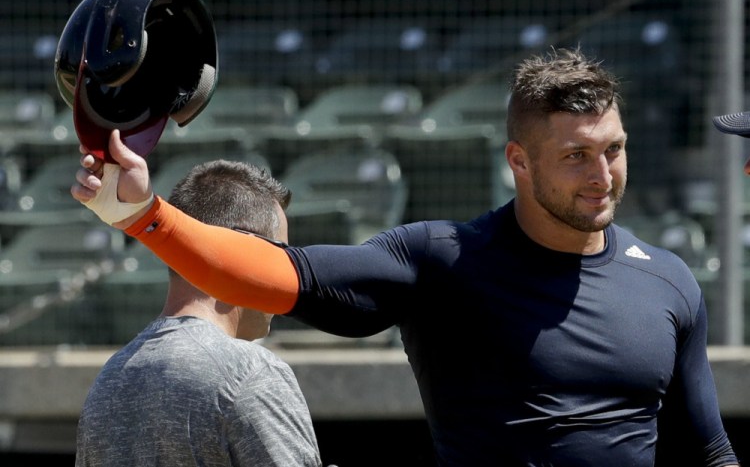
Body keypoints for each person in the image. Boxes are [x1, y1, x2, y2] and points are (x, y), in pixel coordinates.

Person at [72, 48, 739, 467]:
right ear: (520, 162)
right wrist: (143, 215)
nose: (602, 174)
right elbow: (270, 274)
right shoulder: (442, 260)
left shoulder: (668, 280)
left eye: (613, 149)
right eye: (575, 156)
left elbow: (706, 448)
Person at [75, 160, 323, 467]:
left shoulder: (110, 379)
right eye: (282, 254)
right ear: (247, 249)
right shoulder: (249, 372)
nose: (288, 271)